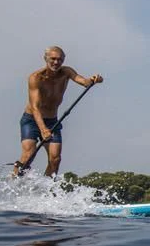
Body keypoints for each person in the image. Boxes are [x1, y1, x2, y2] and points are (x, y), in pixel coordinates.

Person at [15, 45, 103, 178]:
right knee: (28, 155)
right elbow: (35, 107)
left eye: (60, 60)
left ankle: (44, 189)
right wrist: (43, 129)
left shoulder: (66, 72)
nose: (56, 62)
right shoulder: (36, 77)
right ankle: (13, 182)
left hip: (52, 121)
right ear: (46, 59)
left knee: (55, 159)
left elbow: (83, 81)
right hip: (32, 120)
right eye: (53, 59)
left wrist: (92, 80)